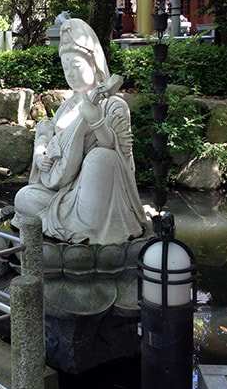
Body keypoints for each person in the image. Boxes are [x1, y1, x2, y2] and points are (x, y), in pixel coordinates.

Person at [12, 18, 147, 246]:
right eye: (66, 69)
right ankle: (70, 222)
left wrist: (95, 121)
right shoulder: (67, 105)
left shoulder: (113, 104)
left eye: (76, 67)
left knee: (102, 157)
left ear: (93, 64)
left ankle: (87, 225)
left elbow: (120, 156)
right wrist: (40, 153)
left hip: (97, 193)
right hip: (63, 191)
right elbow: (46, 132)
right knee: (23, 197)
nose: (70, 75)